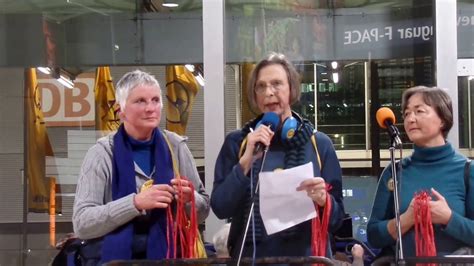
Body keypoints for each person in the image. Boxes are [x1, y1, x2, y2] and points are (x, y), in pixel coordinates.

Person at [210, 52, 345, 258]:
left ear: (291, 89)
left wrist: (323, 200)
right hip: (250, 259)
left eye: (276, 83)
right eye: (261, 86)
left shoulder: (319, 144)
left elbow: (337, 221)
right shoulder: (237, 143)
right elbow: (220, 208)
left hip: (307, 260)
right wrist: (246, 161)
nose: (269, 92)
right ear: (255, 96)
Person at [72, 69, 210, 264]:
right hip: (117, 260)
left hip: (172, 257)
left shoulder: (176, 146)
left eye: (155, 100)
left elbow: (203, 212)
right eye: (140, 101)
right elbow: (82, 223)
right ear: (120, 111)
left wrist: (189, 199)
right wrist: (135, 203)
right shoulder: (101, 154)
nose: (150, 108)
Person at [367, 86, 474, 258]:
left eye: (419, 111)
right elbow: (373, 235)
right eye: (407, 113)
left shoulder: (467, 170)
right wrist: (408, 219)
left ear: (443, 120)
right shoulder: (394, 171)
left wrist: (448, 218)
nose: (410, 119)